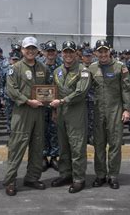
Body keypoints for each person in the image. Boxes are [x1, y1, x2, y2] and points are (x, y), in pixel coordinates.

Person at [3, 36, 50, 196]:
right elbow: (11, 90)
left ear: (37, 51)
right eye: (27, 48)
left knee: (37, 147)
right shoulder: (15, 68)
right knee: (17, 147)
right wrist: (27, 101)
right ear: (22, 50)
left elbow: (47, 89)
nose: (30, 51)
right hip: (22, 112)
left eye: (33, 48)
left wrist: (47, 100)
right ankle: (10, 180)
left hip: (38, 112)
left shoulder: (43, 68)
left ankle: (32, 177)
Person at [87, 39, 130, 189]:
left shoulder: (120, 67)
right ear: (96, 53)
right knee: (98, 145)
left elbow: (126, 88)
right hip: (98, 111)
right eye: (100, 51)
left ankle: (113, 175)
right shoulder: (92, 69)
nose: (103, 54)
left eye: (105, 51)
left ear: (109, 51)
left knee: (115, 144)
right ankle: (100, 175)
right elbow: (85, 89)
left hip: (115, 111)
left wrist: (127, 109)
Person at [49, 41, 90, 193]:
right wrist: (54, 111)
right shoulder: (57, 71)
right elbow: (54, 91)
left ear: (76, 54)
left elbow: (81, 92)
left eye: (71, 52)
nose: (68, 55)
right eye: (65, 52)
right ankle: (65, 174)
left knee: (77, 146)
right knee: (63, 145)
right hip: (60, 113)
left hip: (75, 113)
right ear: (62, 53)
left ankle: (79, 178)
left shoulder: (83, 71)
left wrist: (62, 101)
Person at [42, 40, 61, 172]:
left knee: (55, 131)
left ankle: (54, 156)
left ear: (56, 52)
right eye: (48, 51)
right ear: (44, 52)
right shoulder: (39, 65)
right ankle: (43, 156)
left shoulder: (61, 66)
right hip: (41, 104)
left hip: (56, 104)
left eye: (52, 51)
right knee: (42, 131)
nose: (50, 53)